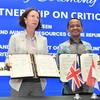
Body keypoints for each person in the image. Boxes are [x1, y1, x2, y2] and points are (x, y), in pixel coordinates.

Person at [5, 8, 48, 97]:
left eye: (37, 17)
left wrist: (49, 61)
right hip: (20, 83)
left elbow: (45, 58)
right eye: (32, 16)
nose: (35, 19)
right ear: (25, 19)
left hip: (38, 84)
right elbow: (8, 58)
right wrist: (8, 64)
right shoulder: (15, 38)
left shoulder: (43, 40)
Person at [56, 18, 93, 95]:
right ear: (68, 29)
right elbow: (58, 67)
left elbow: (92, 65)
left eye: (78, 26)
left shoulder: (88, 46)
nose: (75, 28)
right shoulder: (62, 47)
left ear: (82, 28)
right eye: (72, 26)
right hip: (69, 88)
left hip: (87, 87)